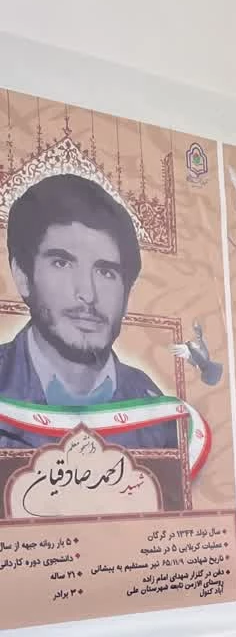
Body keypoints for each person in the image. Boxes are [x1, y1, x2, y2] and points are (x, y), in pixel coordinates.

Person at [1, 173, 176, 450]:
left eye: (106, 272)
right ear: (22, 276)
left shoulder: (153, 413)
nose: (88, 294)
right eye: (62, 263)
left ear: (127, 292)